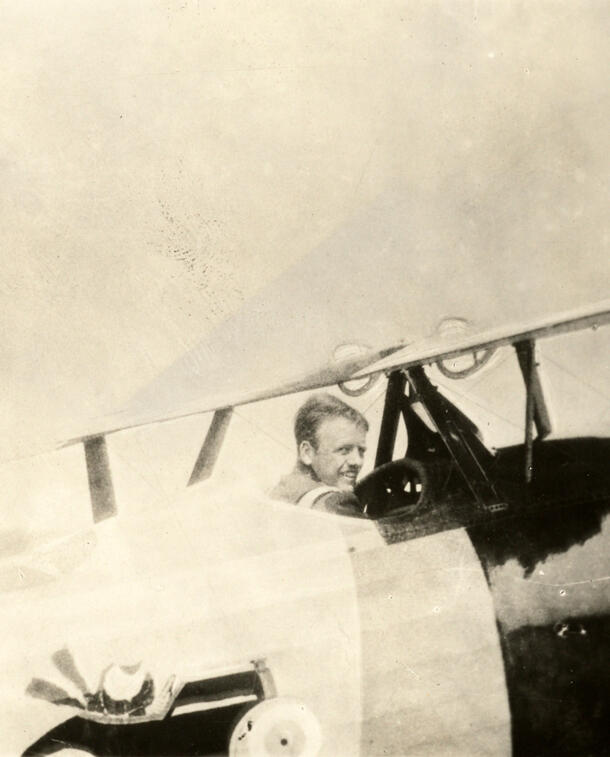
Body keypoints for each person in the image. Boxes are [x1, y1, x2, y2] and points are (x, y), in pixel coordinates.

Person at [270, 393, 369, 517]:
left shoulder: (279, 491)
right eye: (344, 450)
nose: (357, 461)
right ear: (307, 453)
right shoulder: (337, 504)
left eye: (361, 451)